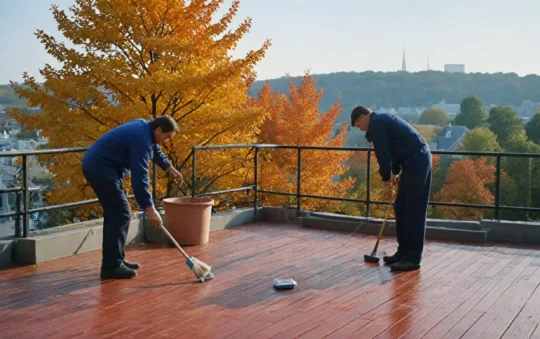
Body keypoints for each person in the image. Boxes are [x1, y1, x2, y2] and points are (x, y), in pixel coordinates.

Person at [82, 116, 183, 279]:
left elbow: (155, 149)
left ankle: (116, 259)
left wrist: (169, 168)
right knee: (120, 213)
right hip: (100, 168)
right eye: (167, 137)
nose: (165, 141)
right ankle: (111, 266)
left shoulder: (146, 129)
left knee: (116, 213)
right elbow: (140, 178)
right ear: (158, 130)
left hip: (101, 166)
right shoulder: (141, 139)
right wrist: (150, 209)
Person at [350, 106, 432, 271]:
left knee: (413, 209)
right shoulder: (381, 122)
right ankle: (403, 252)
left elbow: (383, 154)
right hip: (411, 161)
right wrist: (395, 172)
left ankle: (413, 257)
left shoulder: (377, 123)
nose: (360, 128)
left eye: (358, 124)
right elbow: (394, 149)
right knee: (400, 207)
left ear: (363, 116)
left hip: (417, 159)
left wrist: (386, 181)